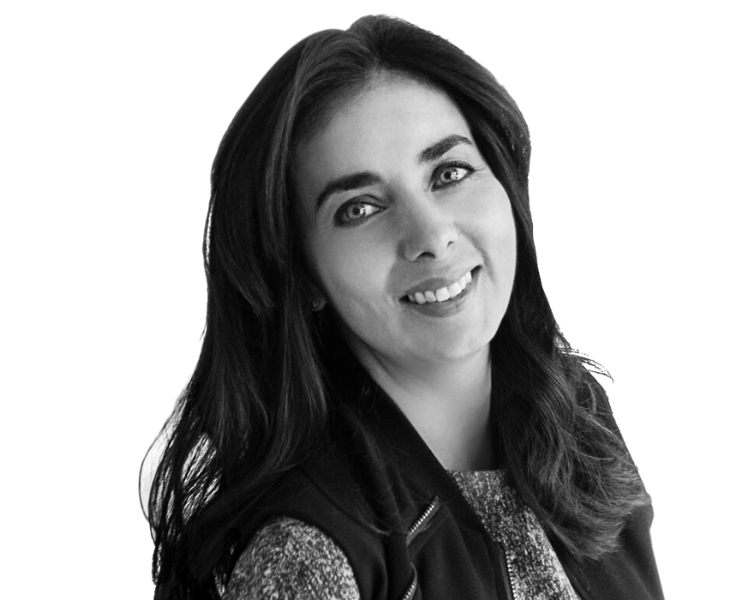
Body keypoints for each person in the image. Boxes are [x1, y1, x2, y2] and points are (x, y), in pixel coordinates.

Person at [144, 14, 664, 600]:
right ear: (302, 274)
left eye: (449, 172)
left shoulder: (575, 418)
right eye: (360, 208)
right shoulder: (306, 555)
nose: (431, 235)